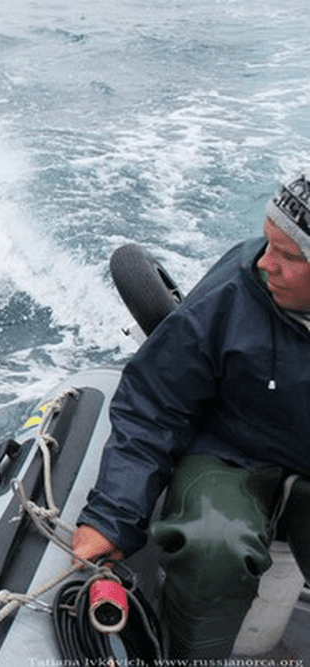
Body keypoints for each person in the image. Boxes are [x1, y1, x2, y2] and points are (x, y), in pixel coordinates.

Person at [73, 172, 310, 660]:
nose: (265, 264)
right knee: (211, 548)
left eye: (288, 256)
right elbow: (154, 402)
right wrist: (112, 518)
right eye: (268, 244)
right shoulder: (234, 290)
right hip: (230, 452)